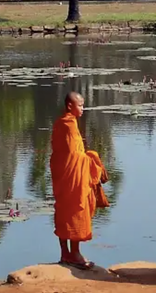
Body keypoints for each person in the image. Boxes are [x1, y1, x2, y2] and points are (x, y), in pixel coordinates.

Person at [50, 92, 106, 270]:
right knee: (74, 210)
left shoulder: (61, 123)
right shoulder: (68, 125)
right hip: (71, 177)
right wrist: (92, 159)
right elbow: (74, 155)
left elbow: (64, 153)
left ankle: (65, 253)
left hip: (64, 174)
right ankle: (73, 254)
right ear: (69, 106)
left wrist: (86, 156)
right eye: (80, 105)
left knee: (64, 210)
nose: (83, 108)